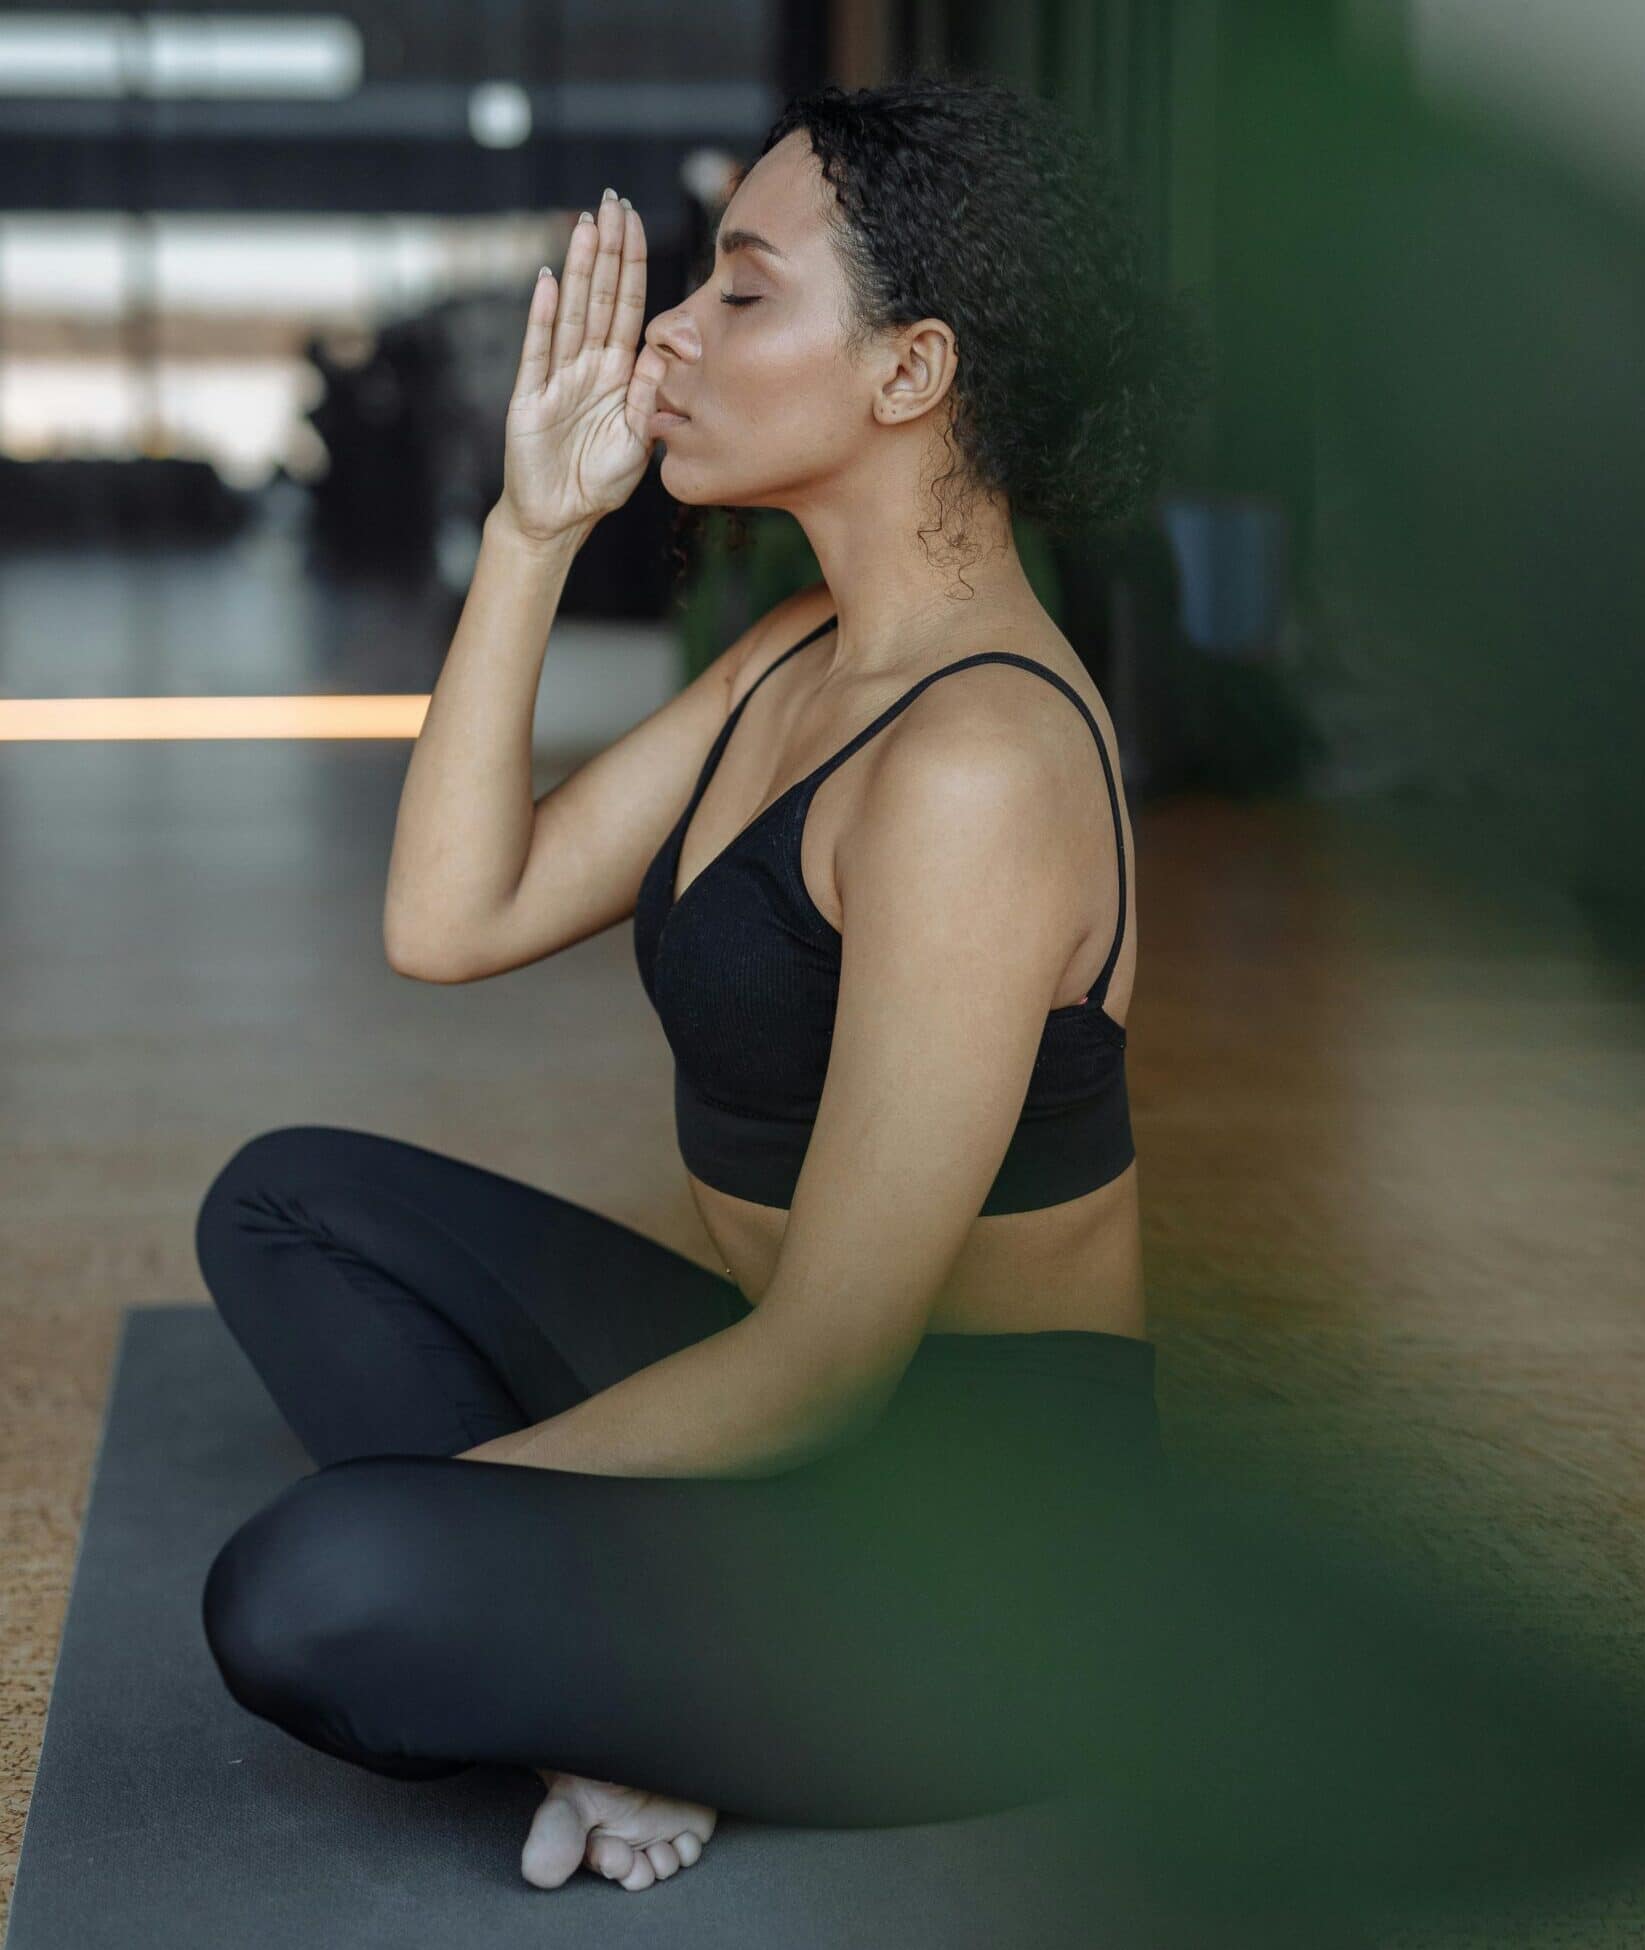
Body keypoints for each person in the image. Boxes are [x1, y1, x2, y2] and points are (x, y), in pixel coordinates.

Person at [197, 73, 1209, 1901]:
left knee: (311, 1581)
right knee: (283, 1202)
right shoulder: (800, 653)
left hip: (978, 1564)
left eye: (741, 291)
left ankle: (598, 1656)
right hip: (791, 1418)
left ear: (912, 371)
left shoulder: (978, 767)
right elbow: (453, 917)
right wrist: (532, 534)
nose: (669, 331)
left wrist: (462, 1506)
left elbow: (826, 1362)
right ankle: (610, 1675)